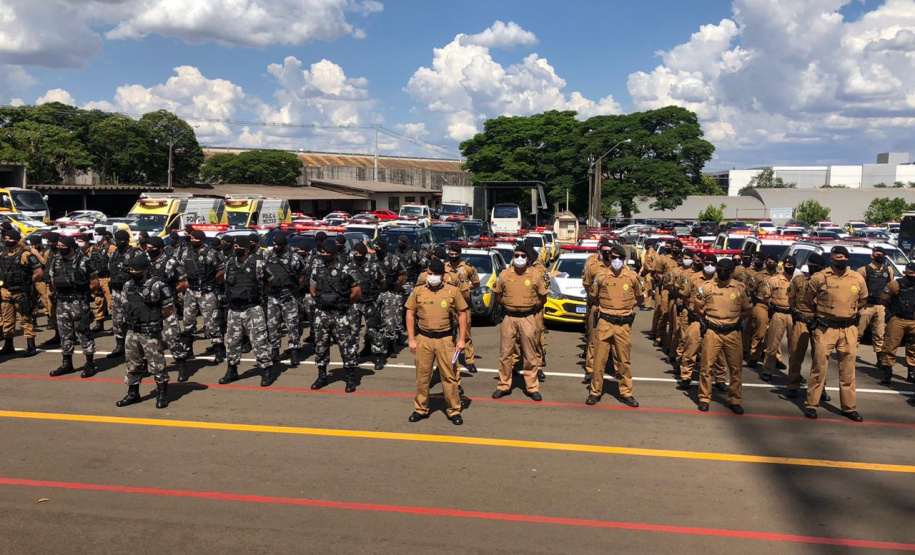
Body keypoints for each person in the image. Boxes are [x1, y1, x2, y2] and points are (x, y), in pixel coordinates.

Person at [803, 246, 867, 422]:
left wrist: (851, 311)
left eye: (845, 257)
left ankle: (849, 408)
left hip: (848, 329)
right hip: (825, 328)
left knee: (847, 370)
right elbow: (808, 299)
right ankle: (811, 404)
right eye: (839, 257)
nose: (842, 259)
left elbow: (863, 300)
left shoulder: (857, 278)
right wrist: (821, 313)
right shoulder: (820, 277)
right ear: (831, 259)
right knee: (819, 367)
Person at [405, 257, 468, 425]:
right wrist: (411, 339)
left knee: (449, 377)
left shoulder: (452, 291)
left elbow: (463, 313)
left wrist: (461, 340)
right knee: (422, 376)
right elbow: (410, 313)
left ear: (442, 275)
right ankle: (421, 408)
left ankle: (454, 410)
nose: (431, 277)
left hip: (445, 339)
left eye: (435, 274)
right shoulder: (418, 291)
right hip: (424, 338)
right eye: (429, 273)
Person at [586, 243, 644, 406]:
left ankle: (626, 392)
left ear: (624, 259)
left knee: (623, 361)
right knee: (599, 360)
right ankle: (595, 392)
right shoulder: (601, 276)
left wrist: (625, 308)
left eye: (619, 258)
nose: (615, 260)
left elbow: (640, 298)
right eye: (613, 258)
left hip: (623, 325)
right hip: (605, 322)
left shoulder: (631, 277)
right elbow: (594, 296)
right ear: (609, 258)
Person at [694, 258, 751, 414]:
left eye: (725, 270)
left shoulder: (739, 288)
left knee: (735, 368)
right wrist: (707, 318)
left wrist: (737, 320)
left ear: (732, 272)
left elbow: (747, 309)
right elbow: (697, 306)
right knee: (706, 367)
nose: (721, 272)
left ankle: (735, 400)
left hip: (732, 332)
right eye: (719, 269)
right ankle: (704, 398)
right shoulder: (707, 287)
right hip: (713, 331)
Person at [115, 255, 173, 409]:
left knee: (157, 365)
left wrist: (152, 320)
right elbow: (124, 304)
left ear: (146, 270)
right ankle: (133, 393)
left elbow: (168, 309)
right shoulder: (128, 285)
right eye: (131, 269)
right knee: (133, 364)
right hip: (132, 331)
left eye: (136, 270)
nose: (133, 272)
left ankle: (162, 394)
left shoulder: (158, 286)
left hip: (150, 332)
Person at [492, 243, 548, 401]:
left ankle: (532, 387)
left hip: (527, 318)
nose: (519, 258)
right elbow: (497, 295)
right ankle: (503, 384)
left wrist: (529, 307)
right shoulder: (505, 274)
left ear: (528, 259)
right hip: (509, 318)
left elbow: (542, 298)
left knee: (530, 355)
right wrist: (509, 306)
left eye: (523, 256)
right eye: (516, 255)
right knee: (505, 354)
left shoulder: (535, 275)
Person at [219, 236, 274, 386]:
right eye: (234, 247)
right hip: (234, 310)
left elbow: (270, 280)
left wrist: (259, 293)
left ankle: (266, 369)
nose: (236, 249)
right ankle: (232, 369)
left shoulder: (258, 263)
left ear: (246, 249)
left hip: (252, 309)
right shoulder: (230, 263)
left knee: (259, 341)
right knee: (232, 342)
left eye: (239, 247)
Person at [309, 241, 361, 392]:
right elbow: (312, 289)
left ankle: (350, 378)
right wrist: (321, 300)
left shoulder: (346, 269)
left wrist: (344, 303)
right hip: (322, 314)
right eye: (322, 252)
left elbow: (357, 291)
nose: (323, 255)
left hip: (341, 314)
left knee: (347, 347)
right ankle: (322, 376)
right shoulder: (317, 269)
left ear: (334, 254)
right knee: (320, 346)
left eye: (327, 253)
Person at [48, 235, 99, 378]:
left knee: (83, 332)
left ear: (71, 247)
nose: (59, 248)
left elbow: (94, 284)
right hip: (62, 303)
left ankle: (90, 363)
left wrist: (81, 291)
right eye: (58, 246)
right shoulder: (56, 261)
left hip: (78, 303)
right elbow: (52, 280)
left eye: (62, 246)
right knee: (65, 334)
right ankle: (67, 363)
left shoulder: (83, 261)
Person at [677, 254, 728, 391]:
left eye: (712, 264)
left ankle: (720, 379)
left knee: (719, 353)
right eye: (707, 263)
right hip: (697, 319)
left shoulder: (721, 281)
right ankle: (686, 377)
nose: (709, 266)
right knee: (691, 348)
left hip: (715, 321)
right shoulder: (694, 278)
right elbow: (684, 296)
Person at [180, 230, 226, 370]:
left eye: (194, 238)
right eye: (191, 238)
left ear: (201, 239)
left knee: (211, 321)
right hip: (191, 291)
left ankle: (219, 348)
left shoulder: (211, 253)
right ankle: (188, 348)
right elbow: (181, 270)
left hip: (207, 291)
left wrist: (212, 281)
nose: (192, 240)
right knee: (188, 321)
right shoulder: (185, 252)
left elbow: (221, 270)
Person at [146, 236, 191, 379]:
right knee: (150, 339)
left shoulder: (171, 263)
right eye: (147, 248)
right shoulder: (145, 261)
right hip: (149, 306)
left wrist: (170, 294)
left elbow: (184, 283)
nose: (149, 251)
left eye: (152, 249)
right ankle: (154, 367)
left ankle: (182, 365)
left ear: (160, 248)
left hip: (167, 307)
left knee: (172, 338)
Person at [786, 255, 827, 399]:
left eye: (816, 264)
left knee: (820, 357)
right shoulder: (799, 280)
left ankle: (820, 388)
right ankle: (793, 384)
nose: (812, 266)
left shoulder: (827, 281)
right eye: (811, 263)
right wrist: (795, 313)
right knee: (796, 354)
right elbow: (790, 298)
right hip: (802, 320)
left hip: (820, 323)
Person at [264, 231, 306, 366]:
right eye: (274, 244)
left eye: (277, 245)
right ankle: (275, 351)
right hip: (272, 296)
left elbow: (302, 275)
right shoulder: (267, 256)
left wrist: (295, 289)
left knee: (292, 325)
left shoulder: (294, 258)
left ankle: (293, 350)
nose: (275, 246)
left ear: (284, 245)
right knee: (272, 325)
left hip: (289, 296)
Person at [0, 229, 41, 357]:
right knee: (7, 320)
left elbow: (38, 273)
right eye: (5, 238)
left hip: (21, 291)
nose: (7, 241)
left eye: (10, 239)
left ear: (17, 240)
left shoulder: (26, 255)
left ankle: (31, 346)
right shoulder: (3, 254)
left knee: (25, 319)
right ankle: (8, 345)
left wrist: (28, 283)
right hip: (6, 291)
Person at [106, 230, 144, 359]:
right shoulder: (114, 254)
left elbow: (144, 270)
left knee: (134, 318)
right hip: (117, 291)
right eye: (116, 240)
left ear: (127, 241)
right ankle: (120, 345)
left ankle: (137, 346)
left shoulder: (136, 253)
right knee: (117, 319)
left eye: (121, 240)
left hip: (132, 292)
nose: (118, 242)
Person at [350, 242, 386, 370]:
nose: (357, 256)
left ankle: (377, 355)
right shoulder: (349, 266)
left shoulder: (373, 266)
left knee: (373, 330)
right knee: (353, 330)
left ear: (364, 254)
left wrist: (375, 293)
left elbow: (382, 282)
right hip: (354, 304)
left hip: (369, 302)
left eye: (359, 254)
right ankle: (352, 356)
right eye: (355, 253)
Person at [445, 242, 480, 372]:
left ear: (459, 254)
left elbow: (476, 283)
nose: (453, 256)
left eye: (455, 254)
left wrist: (466, 289)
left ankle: (469, 360)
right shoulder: (444, 267)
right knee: (449, 334)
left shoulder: (467, 268)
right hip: (449, 305)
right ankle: (449, 359)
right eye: (451, 254)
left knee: (466, 334)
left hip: (464, 305)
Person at [879, 262, 915, 385]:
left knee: (913, 348)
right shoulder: (895, 284)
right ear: (905, 272)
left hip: (913, 321)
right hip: (897, 319)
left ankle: (912, 372)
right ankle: (887, 372)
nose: (913, 275)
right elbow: (884, 300)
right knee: (890, 346)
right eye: (911, 273)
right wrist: (892, 311)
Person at [760, 255, 796, 381]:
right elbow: (766, 297)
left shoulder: (798, 280)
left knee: (795, 347)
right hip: (778, 313)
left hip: (793, 315)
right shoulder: (774, 280)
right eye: (786, 266)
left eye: (791, 266)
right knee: (772, 344)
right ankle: (767, 370)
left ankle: (794, 374)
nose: (788, 268)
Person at [858, 246, 893, 361]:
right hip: (866, 306)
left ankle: (880, 359)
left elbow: (891, 287)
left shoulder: (888, 270)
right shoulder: (864, 270)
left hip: (881, 307)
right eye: (878, 254)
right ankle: (850, 355)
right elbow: (858, 287)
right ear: (872, 255)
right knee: (858, 332)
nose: (880, 257)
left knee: (879, 334)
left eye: (882, 255)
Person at [747, 253, 779, 369]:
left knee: (775, 334)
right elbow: (749, 290)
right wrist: (754, 301)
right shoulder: (758, 276)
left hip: (775, 307)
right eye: (769, 262)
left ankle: (776, 358)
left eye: (773, 263)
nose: (771, 264)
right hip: (761, 305)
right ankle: (754, 356)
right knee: (759, 332)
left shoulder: (780, 277)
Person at [376, 237, 407, 355]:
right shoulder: (372, 258)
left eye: (379, 247)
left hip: (388, 293)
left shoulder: (393, 259)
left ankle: (390, 346)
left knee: (390, 322)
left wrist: (395, 288)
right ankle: (369, 346)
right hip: (374, 294)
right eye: (375, 247)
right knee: (373, 322)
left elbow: (402, 275)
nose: (377, 249)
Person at [37, 232, 60, 346]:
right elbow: (46, 263)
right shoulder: (48, 252)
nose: (51, 244)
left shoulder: (65, 251)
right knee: (51, 309)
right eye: (49, 242)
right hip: (50, 286)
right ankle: (57, 333)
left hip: (62, 285)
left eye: (53, 242)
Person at [89, 229, 114, 332]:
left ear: (104, 236)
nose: (95, 236)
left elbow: (115, 263)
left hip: (107, 278)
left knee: (111, 302)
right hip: (97, 278)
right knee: (98, 301)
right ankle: (99, 323)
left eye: (97, 234)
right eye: (94, 234)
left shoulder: (111, 248)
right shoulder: (92, 249)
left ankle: (115, 324)